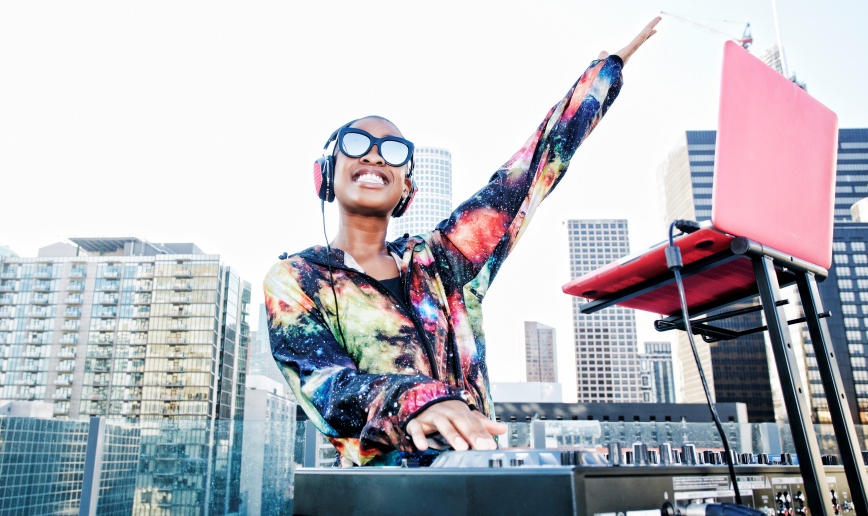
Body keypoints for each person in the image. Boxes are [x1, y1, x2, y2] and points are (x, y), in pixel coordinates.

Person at [264, 18, 660, 467]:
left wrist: (602, 76)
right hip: (379, 503)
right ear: (326, 174)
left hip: (475, 482)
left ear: (406, 189)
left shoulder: (443, 263)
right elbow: (325, 385)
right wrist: (419, 400)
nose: (374, 155)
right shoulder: (297, 279)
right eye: (357, 144)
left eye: (393, 151)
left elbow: (528, 173)